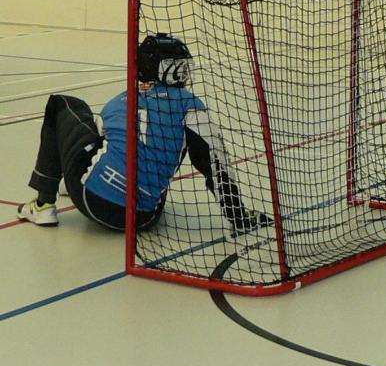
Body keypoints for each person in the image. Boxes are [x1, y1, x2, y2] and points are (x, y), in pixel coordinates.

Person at [17, 33, 264, 232]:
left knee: (61, 104)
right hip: (144, 218)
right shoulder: (191, 106)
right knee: (182, 141)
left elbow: (99, 140)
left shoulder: (120, 101)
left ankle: (43, 204)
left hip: (90, 200)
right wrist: (239, 216)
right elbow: (215, 162)